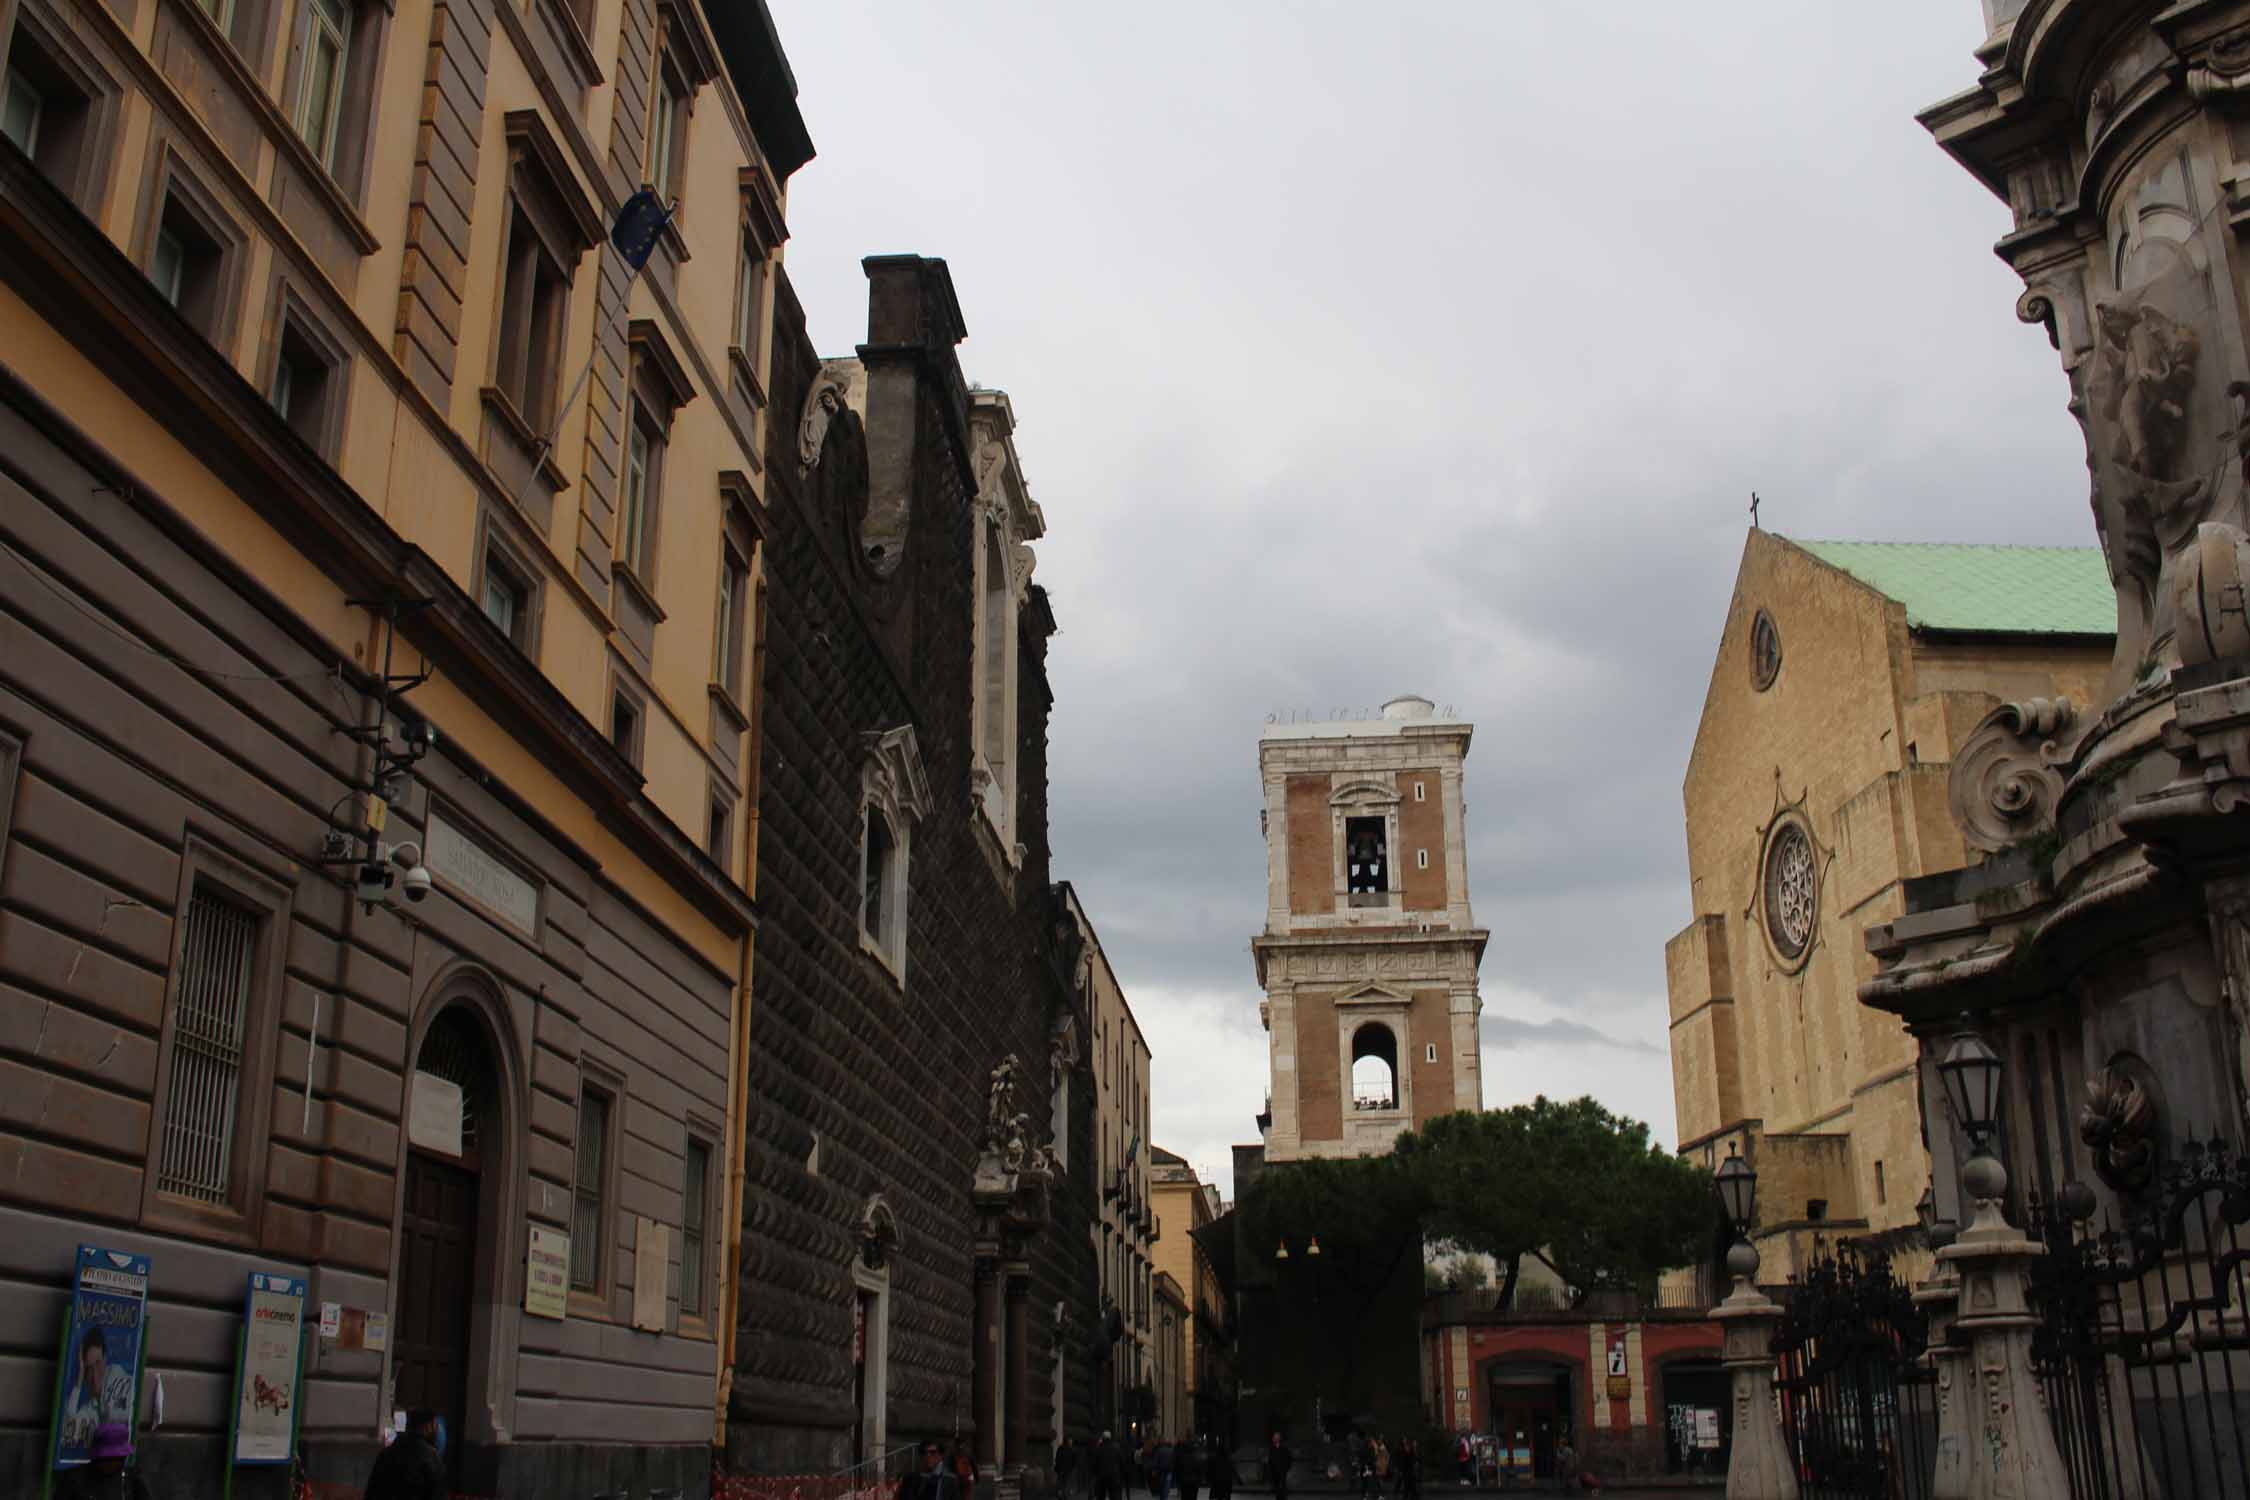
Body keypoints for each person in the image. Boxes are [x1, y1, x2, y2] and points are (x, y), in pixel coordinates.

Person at [60, 1327, 135, 1453]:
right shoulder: (90, 1407)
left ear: (105, 1359)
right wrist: (78, 1382)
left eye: (98, 1363)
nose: (95, 1375)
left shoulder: (118, 1379)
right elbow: (69, 1431)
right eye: (89, 1369)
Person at [363, 1408, 447, 1500]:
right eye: (435, 1426)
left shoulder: (387, 1453)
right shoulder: (431, 1457)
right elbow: (437, 1493)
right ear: (428, 1426)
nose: (437, 1431)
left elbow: (372, 1491)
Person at [58, 1423, 151, 1500]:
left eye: (117, 1459)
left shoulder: (132, 1479)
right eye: (107, 1459)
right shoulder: (75, 1478)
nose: (112, 1464)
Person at [1093, 1430, 1124, 1500]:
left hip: (1102, 1476)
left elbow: (1095, 1463)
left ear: (1103, 1438)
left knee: (1101, 1496)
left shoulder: (1099, 1449)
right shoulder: (1116, 1448)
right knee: (1114, 1495)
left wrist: (1096, 1473)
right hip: (1113, 1476)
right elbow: (1121, 1462)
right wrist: (1121, 1473)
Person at [1264, 1432, 1294, 1500]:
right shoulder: (1271, 1448)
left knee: (1282, 1486)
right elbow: (1270, 1459)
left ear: (1279, 1439)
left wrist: (1286, 1468)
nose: (1274, 1439)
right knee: (1276, 1487)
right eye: (1274, 1438)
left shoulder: (1284, 1448)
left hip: (1282, 1470)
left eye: (1276, 1438)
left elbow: (1289, 1458)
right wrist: (1269, 1467)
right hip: (1274, 1471)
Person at [1176, 1435, 1204, 1500]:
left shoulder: (1181, 1458)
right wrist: (1199, 1480)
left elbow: (1178, 1470)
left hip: (1184, 1481)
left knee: (1184, 1497)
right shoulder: (1196, 1458)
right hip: (1194, 1482)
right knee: (1193, 1497)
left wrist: (1178, 1480)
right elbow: (1199, 1470)